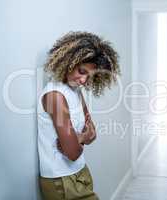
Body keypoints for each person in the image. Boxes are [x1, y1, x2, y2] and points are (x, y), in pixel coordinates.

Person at [37, 31, 120, 200]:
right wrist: (82, 139)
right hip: (61, 180)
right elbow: (73, 152)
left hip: (79, 171)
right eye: (81, 71)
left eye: (89, 76)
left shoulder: (75, 91)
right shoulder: (55, 97)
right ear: (68, 62)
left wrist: (80, 138)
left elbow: (92, 133)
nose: (83, 80)